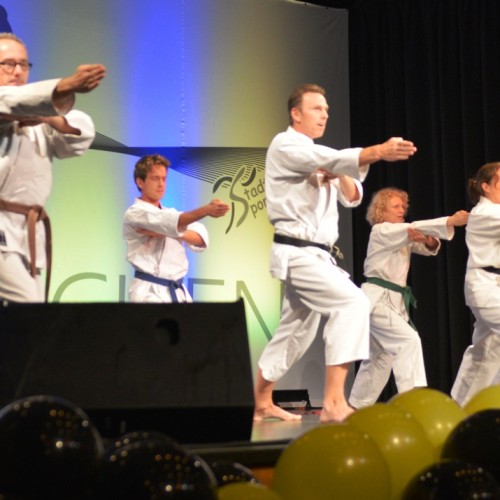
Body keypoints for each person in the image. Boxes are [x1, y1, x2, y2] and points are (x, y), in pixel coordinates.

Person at [253, 83, 418, 424]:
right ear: (296, 113)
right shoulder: (285, 145)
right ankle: (333, 401)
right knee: (352, 303)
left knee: (295, 331)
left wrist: (339, 172)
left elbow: (353, 196)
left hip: (318, 255)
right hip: (297, 252)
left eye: (327, 110)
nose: (324, 115)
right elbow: (328, 159)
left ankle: (260, 401)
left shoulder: (320, 153)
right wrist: (377, 151)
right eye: (317, 109)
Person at [0, 32, 106, 303]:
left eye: (23, 64)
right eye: (8, 64)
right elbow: (11, 102)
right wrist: (66, 85)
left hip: (28, 232)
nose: (18, 71)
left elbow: (78, 136)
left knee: (31, 316)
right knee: (28, 306)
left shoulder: (38, 116)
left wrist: (51, 117)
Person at [348, 188, 469, 409]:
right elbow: (412, 228)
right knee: (408, 341)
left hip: (391, 301)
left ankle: (355, 407)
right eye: (395, 206)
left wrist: (428, 240)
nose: (401, 210)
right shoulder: (381, 231)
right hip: (377, 300)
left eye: (403, 206)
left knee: (380, 356)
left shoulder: (401, 235)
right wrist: (450, 220)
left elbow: (428, 247)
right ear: (382, 211)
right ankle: (411, 401)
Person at [123, 154, 230, 303]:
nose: (161, 184)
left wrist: (173, 233)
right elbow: (172, 222)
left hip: (178, 292)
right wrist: (206, 210)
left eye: (164, 179)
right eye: (155, 178)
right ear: (140, 182)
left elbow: (201, 237)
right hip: (148, 292)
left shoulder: (170, 213)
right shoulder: (135, 213)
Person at [451, 162, 500, 406]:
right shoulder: (485, 213)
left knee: (485, 353)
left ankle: (460, 406)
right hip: (485, 286)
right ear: (485, 186)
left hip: (493, 285)